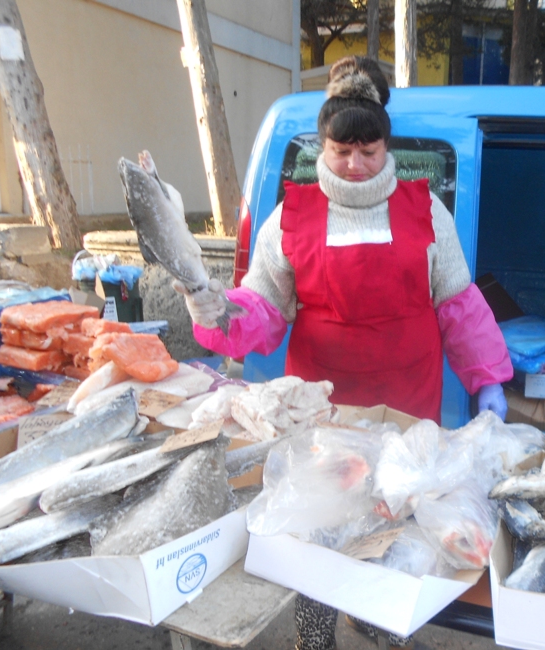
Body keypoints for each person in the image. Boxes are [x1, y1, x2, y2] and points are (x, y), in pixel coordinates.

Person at [176, 55, 513, 650]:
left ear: (387, 147)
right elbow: (261, 307)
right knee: (321, 531)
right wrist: (215, 311)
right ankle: (316, 636)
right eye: (341, 151)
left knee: (398, 526)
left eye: (369, 151)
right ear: (321, 149)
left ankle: (383, 625)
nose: (355, 166)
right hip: (325, 412)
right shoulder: (290, 218)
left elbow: (458, 305)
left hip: (408, 408)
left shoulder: (427, 211)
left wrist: (487, 378)